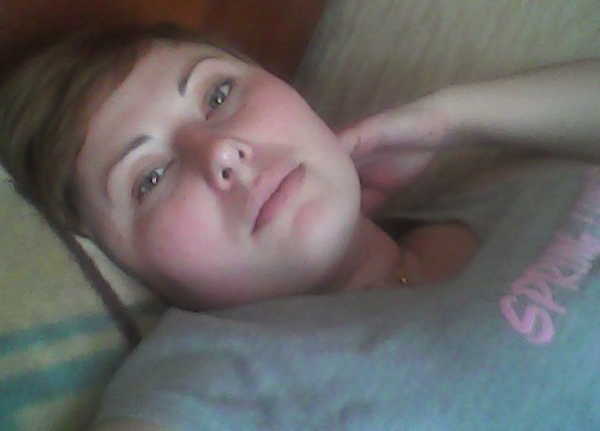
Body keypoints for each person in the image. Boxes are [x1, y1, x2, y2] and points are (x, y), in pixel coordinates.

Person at [0, 24, 598, 430]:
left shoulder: (495, 191)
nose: (221, 151)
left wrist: (448, 118)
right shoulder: (208, 374)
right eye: (150, 178)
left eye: (219, 94)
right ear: (125, 266)